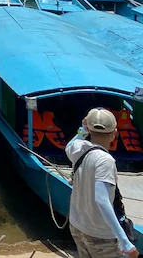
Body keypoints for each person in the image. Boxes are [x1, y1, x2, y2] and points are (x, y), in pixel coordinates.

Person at [66, 108, 138, 258]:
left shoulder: (79, 148)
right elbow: (101, 200)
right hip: (99, 234)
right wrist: (125, 242)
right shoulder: (105, 161)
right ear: (115, 133)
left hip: (77, 226)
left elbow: (69, 146)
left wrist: (82, 130)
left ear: (89, 130)